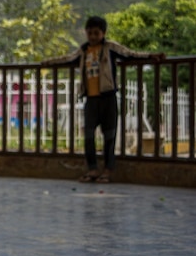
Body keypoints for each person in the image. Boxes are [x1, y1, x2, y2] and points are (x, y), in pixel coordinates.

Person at [42, 15, 164, 183]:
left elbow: (129, 54)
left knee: (109, 136)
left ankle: (108, 170)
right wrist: (48, 62)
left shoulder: (110, 48)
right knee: (89, 135)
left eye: (96, 33)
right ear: (86, 33)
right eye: (90, 33)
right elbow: (68, 59)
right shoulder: (83, 51)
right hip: (91, 99)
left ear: (103, 33)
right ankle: (92, 169)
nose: (93, 37)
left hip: (108, 98)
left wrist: (151, 56)